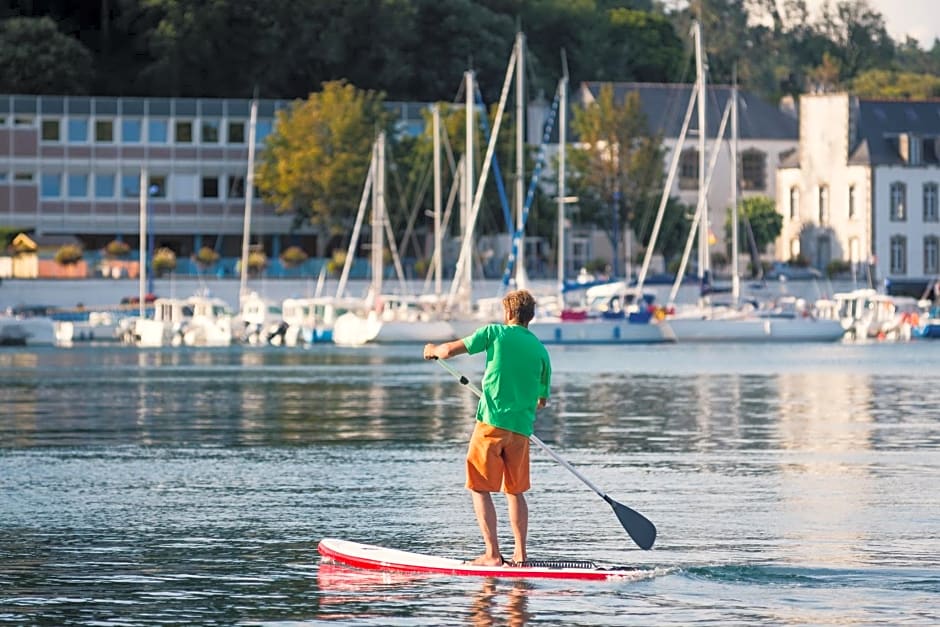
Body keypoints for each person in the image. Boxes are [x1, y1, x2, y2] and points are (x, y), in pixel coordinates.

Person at [423, 289, 551, 566]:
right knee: (514, 491)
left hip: (491, 425)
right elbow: (541, 401)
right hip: (520, 430)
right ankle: (520, 554)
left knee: (479, 487)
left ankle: (492, 554)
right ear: (530, 317)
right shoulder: (541, 350)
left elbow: (448, 351)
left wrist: (433, 350)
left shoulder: (495, 333)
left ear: (508, 313)